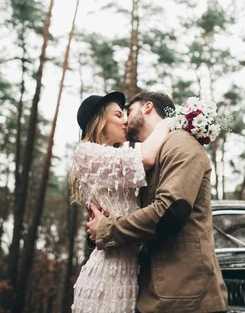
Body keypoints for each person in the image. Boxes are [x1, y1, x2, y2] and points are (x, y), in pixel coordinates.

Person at [86, 91, 228, 313]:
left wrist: (107, 229)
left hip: (184, 297)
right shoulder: (145, 161)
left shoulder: (180, 142)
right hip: (152, 295)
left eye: (128, 111)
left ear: (148, 107)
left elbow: (171, 211)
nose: (124, 119)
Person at [70, 91, 171, 313]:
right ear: (99, 120)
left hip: (131, 273)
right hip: (105, 276)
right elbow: (145, 158)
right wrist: (167, 124)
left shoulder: (119, 156)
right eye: (118, 115)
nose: (126, 120)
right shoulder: (85, 153)